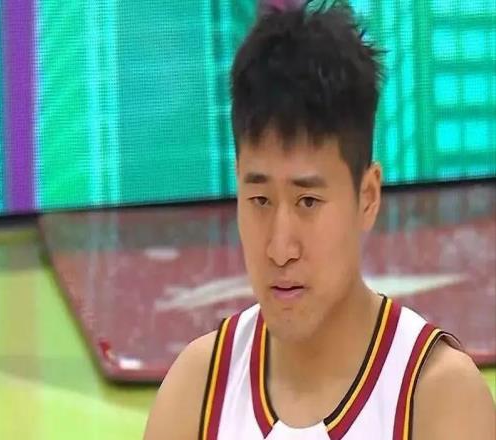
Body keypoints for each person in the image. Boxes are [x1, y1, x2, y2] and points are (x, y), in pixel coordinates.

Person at [144, 1, 495, 439]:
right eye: (259, 200)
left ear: (367, 197)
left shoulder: (437, 400)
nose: (280, 248)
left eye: (308, 201)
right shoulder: (196, 395)